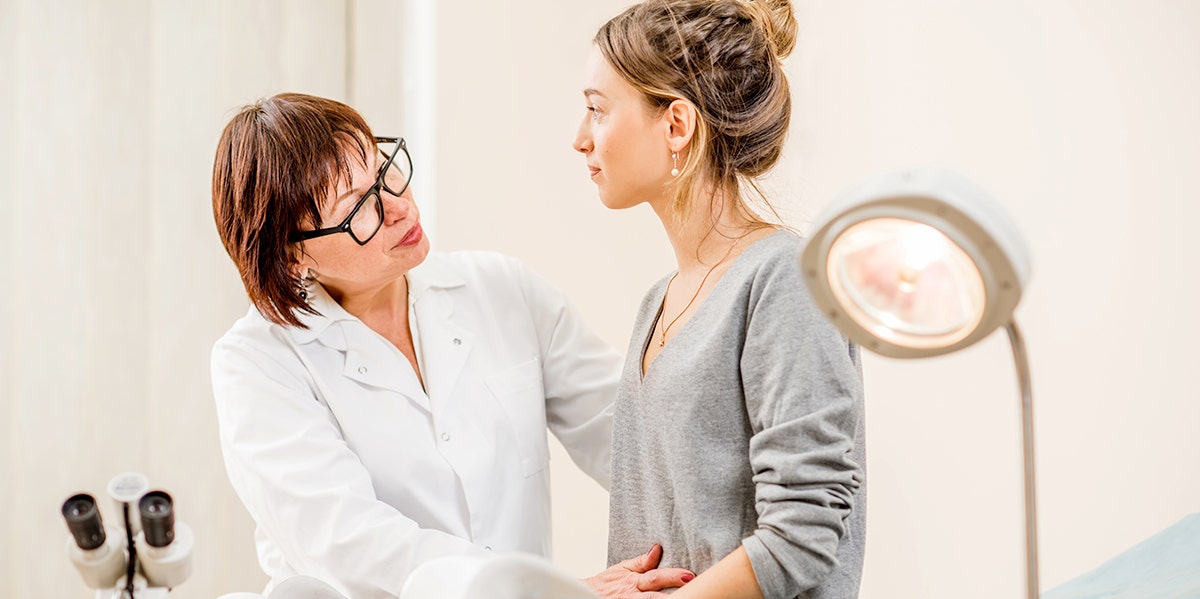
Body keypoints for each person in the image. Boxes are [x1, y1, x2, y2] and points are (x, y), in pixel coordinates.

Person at [209, 93, 690, 598]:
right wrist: (553, 592)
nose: (397, 206)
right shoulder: (256, 363)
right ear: (291, 257)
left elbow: (629, 440)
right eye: (358, 209)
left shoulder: (500, 289)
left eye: (384, 170)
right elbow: (353, 545)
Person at [572, 1, 867, 598]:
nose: (580, 140)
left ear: (676, 125)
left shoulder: (785, 275)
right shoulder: (658, 301)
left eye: (597, 112)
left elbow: (804, 531)